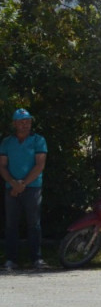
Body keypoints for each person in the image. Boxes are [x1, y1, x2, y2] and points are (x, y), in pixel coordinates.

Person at [1, 108, 48, 270]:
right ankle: (11, 259)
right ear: (14, 123)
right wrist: (13, 183)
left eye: (27, 121)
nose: (25, 124)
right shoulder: (7, 142)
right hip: (11, 188)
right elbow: (2, 166)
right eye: (21, 121)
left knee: (33, 224)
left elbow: (40, 165)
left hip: (32, 187)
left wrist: (22, 185)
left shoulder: (38, 140)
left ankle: (36, 258)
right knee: (11, 225)